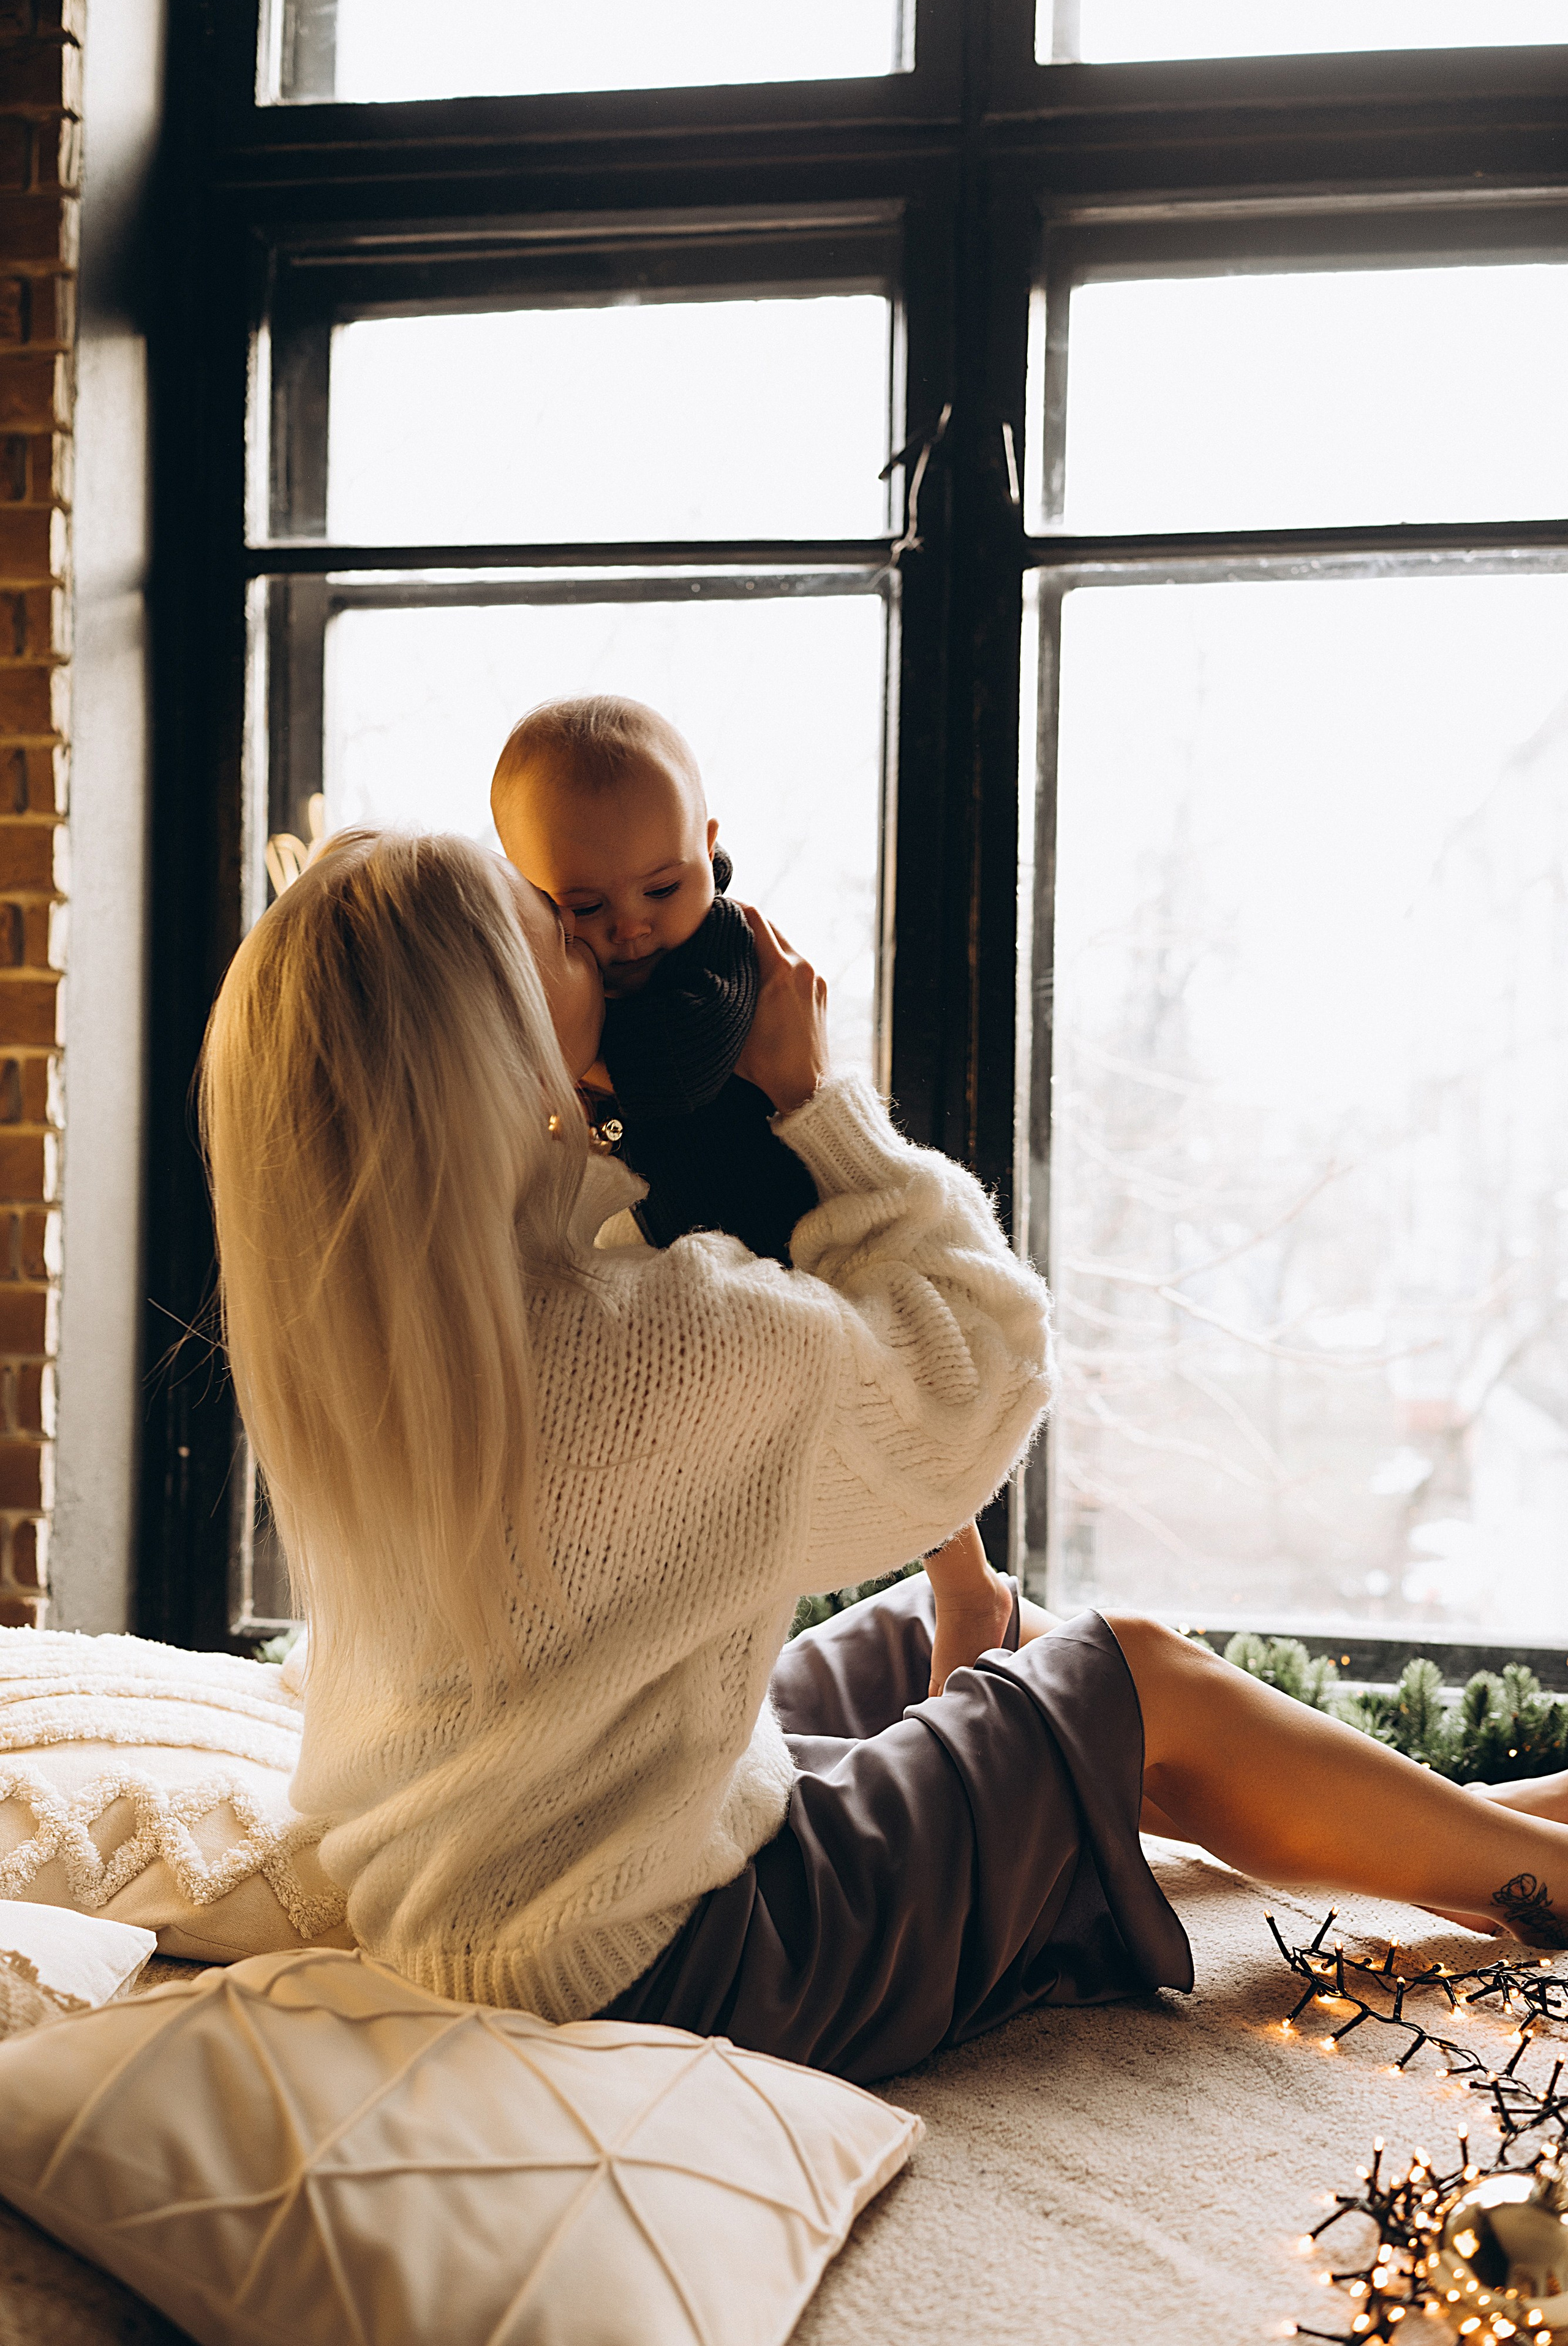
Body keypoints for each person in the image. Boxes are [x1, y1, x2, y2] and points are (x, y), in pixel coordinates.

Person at [202, 827, 1568, 2089]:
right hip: (681, 1970)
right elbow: (982, 1375)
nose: (606, 947)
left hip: (470, 1895)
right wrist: (811, 1098)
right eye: (558, 936)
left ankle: (1465, 1823)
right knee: (1134, 1675)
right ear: (493, 1042)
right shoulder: (654, 1337)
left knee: (935, 1619)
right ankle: (1537, 1876)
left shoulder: (377, 1353)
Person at [491, 692, 1010, 1697]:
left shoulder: (725, 949)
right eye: (585, 908)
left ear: (710, 850)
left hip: (782, 1205)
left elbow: (684, 1072)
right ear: (527, 894)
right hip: (675, 1233)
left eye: (662, 886)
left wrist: (578, 1066)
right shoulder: (560, 975)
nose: (633, 929)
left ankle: (967, 1587)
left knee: (877, 1408)